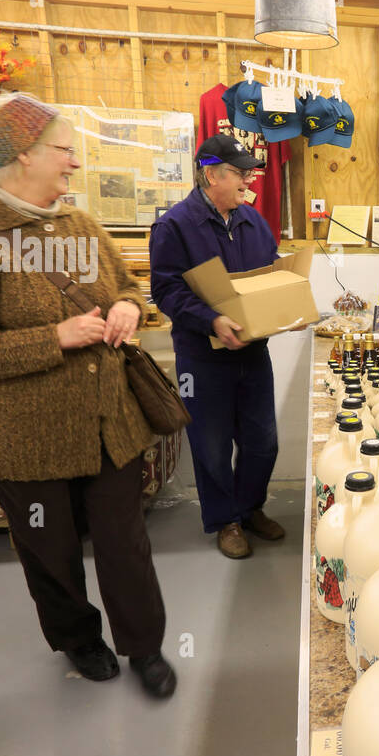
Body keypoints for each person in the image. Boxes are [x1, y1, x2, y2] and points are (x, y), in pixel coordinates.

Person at [0, 93, 175, 698]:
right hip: (28, 440)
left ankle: (144, 646)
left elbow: (130, 291)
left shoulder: (84, 227)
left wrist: (125, 307)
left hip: (109, 426)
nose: (73, 165)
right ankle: (79, 639)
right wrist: (56, 337)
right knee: (49, 550)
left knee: (126, 544)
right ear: (22, 155)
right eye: (64, 151)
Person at [149, 134, 287, 559]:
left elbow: (270, 274)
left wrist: (283, 309)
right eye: (239, 173)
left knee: (262, 440)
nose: (249, 180)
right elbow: (167, 291)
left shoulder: (253, 222)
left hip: (251, 351)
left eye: (249, 172)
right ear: (211, 174)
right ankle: (225, 521)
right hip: (202, 357)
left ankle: (249, 509)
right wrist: (211, 319)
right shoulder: (175, 225)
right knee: (211, 442)